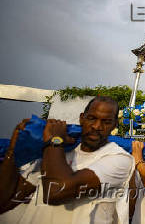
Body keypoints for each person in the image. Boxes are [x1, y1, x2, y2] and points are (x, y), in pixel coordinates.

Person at [10, 96, 135, 224]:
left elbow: (56, 192)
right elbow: (6, 200)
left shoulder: (120, 159)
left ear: (114, 125)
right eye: (92, 118)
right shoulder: (55, 151)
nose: (97, 126)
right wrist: (13, 149)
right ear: (82, 118)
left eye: (106, 122)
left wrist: (55, 140)